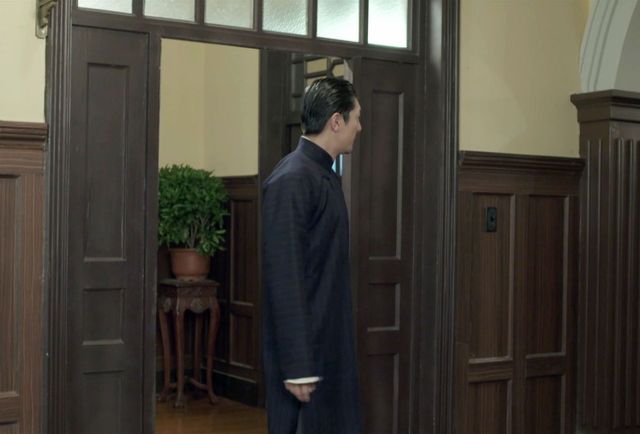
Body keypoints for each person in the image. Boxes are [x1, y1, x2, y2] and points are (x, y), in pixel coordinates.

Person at [261, 77, 362, 434]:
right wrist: (298, 366)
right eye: (356, 118)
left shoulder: (320, 174)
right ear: (336, 121)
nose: (359, 127)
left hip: (327, 344)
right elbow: (284, 276)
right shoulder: (292, 179)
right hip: (305, 361)